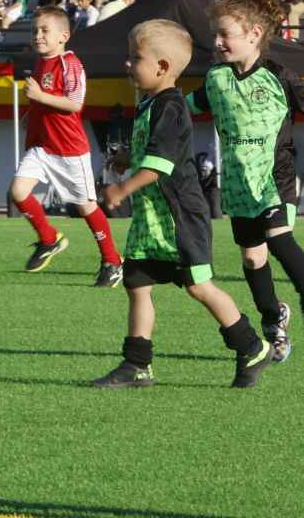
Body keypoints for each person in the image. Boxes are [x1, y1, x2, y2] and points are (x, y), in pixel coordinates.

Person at [93, 19, 274, 389]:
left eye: (135, 58)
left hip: (178, 218)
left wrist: (121, 189)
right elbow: (152, 153)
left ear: (162, 66)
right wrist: (129, 156)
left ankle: (252, 346)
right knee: (136, 281)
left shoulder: (171, 107)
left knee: (199, 286)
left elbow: (161, 165)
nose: (128, 64)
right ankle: (136, 364)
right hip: (153, 218)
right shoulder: (150, 104)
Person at [190, 0, 304, 364]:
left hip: (277, 178)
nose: (218, 42)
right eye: (216, 35)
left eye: (225, 34)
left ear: (255, 34)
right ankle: (274, 321)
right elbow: (184, 108)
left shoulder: (279, 76)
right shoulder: (216, 79)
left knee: (278, 235)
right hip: (238, 186)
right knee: (253, 260)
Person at [7, 7, 125, 286]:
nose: (38, 35)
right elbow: (45, 100)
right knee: (17, 191)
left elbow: (75, 103)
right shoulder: (40, 62)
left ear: (64, 36)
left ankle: (112, 260)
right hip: (43, 147)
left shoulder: (69, 63)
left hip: (70, 150)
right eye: (35, 30)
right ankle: (49, 239)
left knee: (86, 207)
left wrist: (40, 96)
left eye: (44, 30)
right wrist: (31, 113)